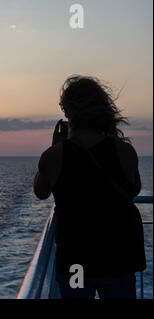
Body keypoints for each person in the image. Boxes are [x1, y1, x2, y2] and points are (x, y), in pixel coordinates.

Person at [33, 75, 146, 299]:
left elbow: (40, 191)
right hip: (118, 259)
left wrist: (56, 146)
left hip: (77, 262)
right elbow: (133, 190)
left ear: (68, 112)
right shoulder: (124, 151)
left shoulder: (55, 155)